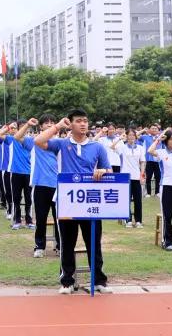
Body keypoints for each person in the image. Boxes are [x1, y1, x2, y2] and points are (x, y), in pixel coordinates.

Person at [34, 109, 112, 294]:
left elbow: (108, 170)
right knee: (67, 243)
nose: (83, 124)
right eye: (78, 121)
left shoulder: (97, 147)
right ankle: (67, 281)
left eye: (85, 121)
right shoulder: (61, 144)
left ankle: (99, 279)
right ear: (71, 124)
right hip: (67, 201)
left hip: (90, 202)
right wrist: (58, 126)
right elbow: (38, 141)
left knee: (93, 241)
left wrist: (102, 172)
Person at [19, 116, 62, 256]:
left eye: (52, 123)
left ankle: (60, 246)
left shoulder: (60, 143)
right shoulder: (34, 142)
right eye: (46, 123)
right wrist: (27, 125)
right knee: (41, 217)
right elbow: (17, 137)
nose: (49, 125)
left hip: (59, 185)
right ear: (41, 127)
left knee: (60, 218)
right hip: (40, 184)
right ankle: (39, 246)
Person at [113, 129, 146, 229]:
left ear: (136, 137)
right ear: (127, 136)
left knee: (138, 200)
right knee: (126, 199)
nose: (131, 137)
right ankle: (128, 220)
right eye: (129, 135)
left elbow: (143, 162)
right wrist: (120, 138)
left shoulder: (140, 148)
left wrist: (142, 174)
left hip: (136, 176)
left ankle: (139, 220)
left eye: (133, 135)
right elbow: (112, 146)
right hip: (125, 176)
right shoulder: (122, 147)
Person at [140, 124, 160, 197]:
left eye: (155, 128)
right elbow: (136, 136)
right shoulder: (145, 137)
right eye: (152, 128)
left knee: (158, 177)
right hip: (148, 160)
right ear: (149, 130)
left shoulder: (161, 138)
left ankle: (157, 192)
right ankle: (148, 192)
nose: (154, 130)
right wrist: (143, 130)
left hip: (158, 160)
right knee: (148, 176)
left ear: (158, 130)